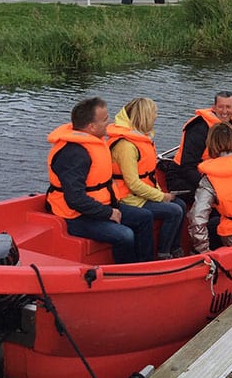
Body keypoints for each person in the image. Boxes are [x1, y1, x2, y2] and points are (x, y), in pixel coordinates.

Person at [47, 97, 154, 264]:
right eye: (105, 120)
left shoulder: (96, 142)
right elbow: (75, 199)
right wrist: (109, 213)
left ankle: (145, 265)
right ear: (91, 127)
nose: (109, 122)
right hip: (74, 216)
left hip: (99, 206)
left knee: (145, 217)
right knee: (124, 235)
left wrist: (110, 208)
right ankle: (126, 275)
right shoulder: (74, 154)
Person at [108, 97, 186, 260]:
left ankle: (175, 248)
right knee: (174, 210)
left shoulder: (140, 139)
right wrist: (162, 197)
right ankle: (162, 254)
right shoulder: (126, 146)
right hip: (128, 198)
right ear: (144, 116)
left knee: (181, 205)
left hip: (140, 195)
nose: (156, 116)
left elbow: (147, 176)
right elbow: (133, 183)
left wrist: (160, 195)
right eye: (154, 113)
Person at [165, 91, 232, 202]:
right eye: (220, 107)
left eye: (228, 107)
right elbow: (187, 167)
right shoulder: (199, 128)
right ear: (214, 108)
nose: (224, 111)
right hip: (182, 176)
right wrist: (213, 187)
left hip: (212, 174)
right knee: (218, 197)